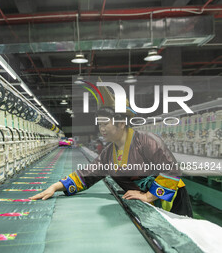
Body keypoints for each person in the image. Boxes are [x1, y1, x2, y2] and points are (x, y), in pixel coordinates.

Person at [30, 86, 193, 217]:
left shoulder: (146, 141)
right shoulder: (109, 154)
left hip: (171, 199)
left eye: (105, 124)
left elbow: (171, 170)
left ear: (121, 123)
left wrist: (148, 196)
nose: (101, 129)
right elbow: (87, 174)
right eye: (99, 125)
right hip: (146, 203)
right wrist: (55, 187)